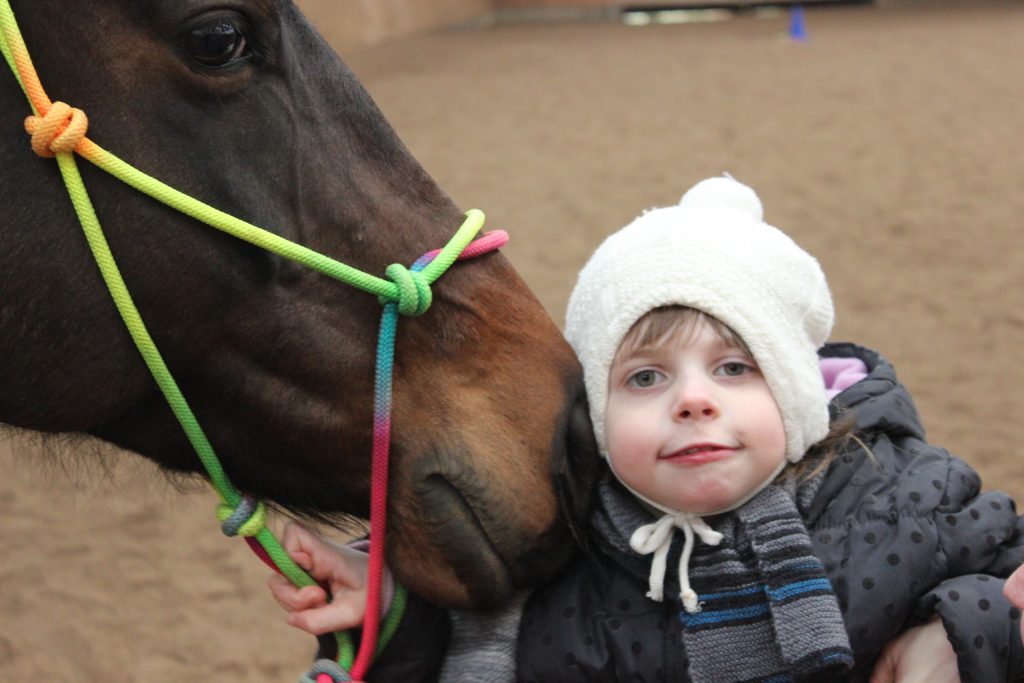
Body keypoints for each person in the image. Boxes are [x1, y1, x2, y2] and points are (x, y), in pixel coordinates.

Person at [269, 177, 1024, 682]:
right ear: (596, 415)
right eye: (644, 378)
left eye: (734, 368)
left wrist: (956, 634)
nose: (692, 399)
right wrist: (395, 612)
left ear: (796, 392)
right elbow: (462, 652)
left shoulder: (902, 500)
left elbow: (1002, 588)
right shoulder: (557, 545)